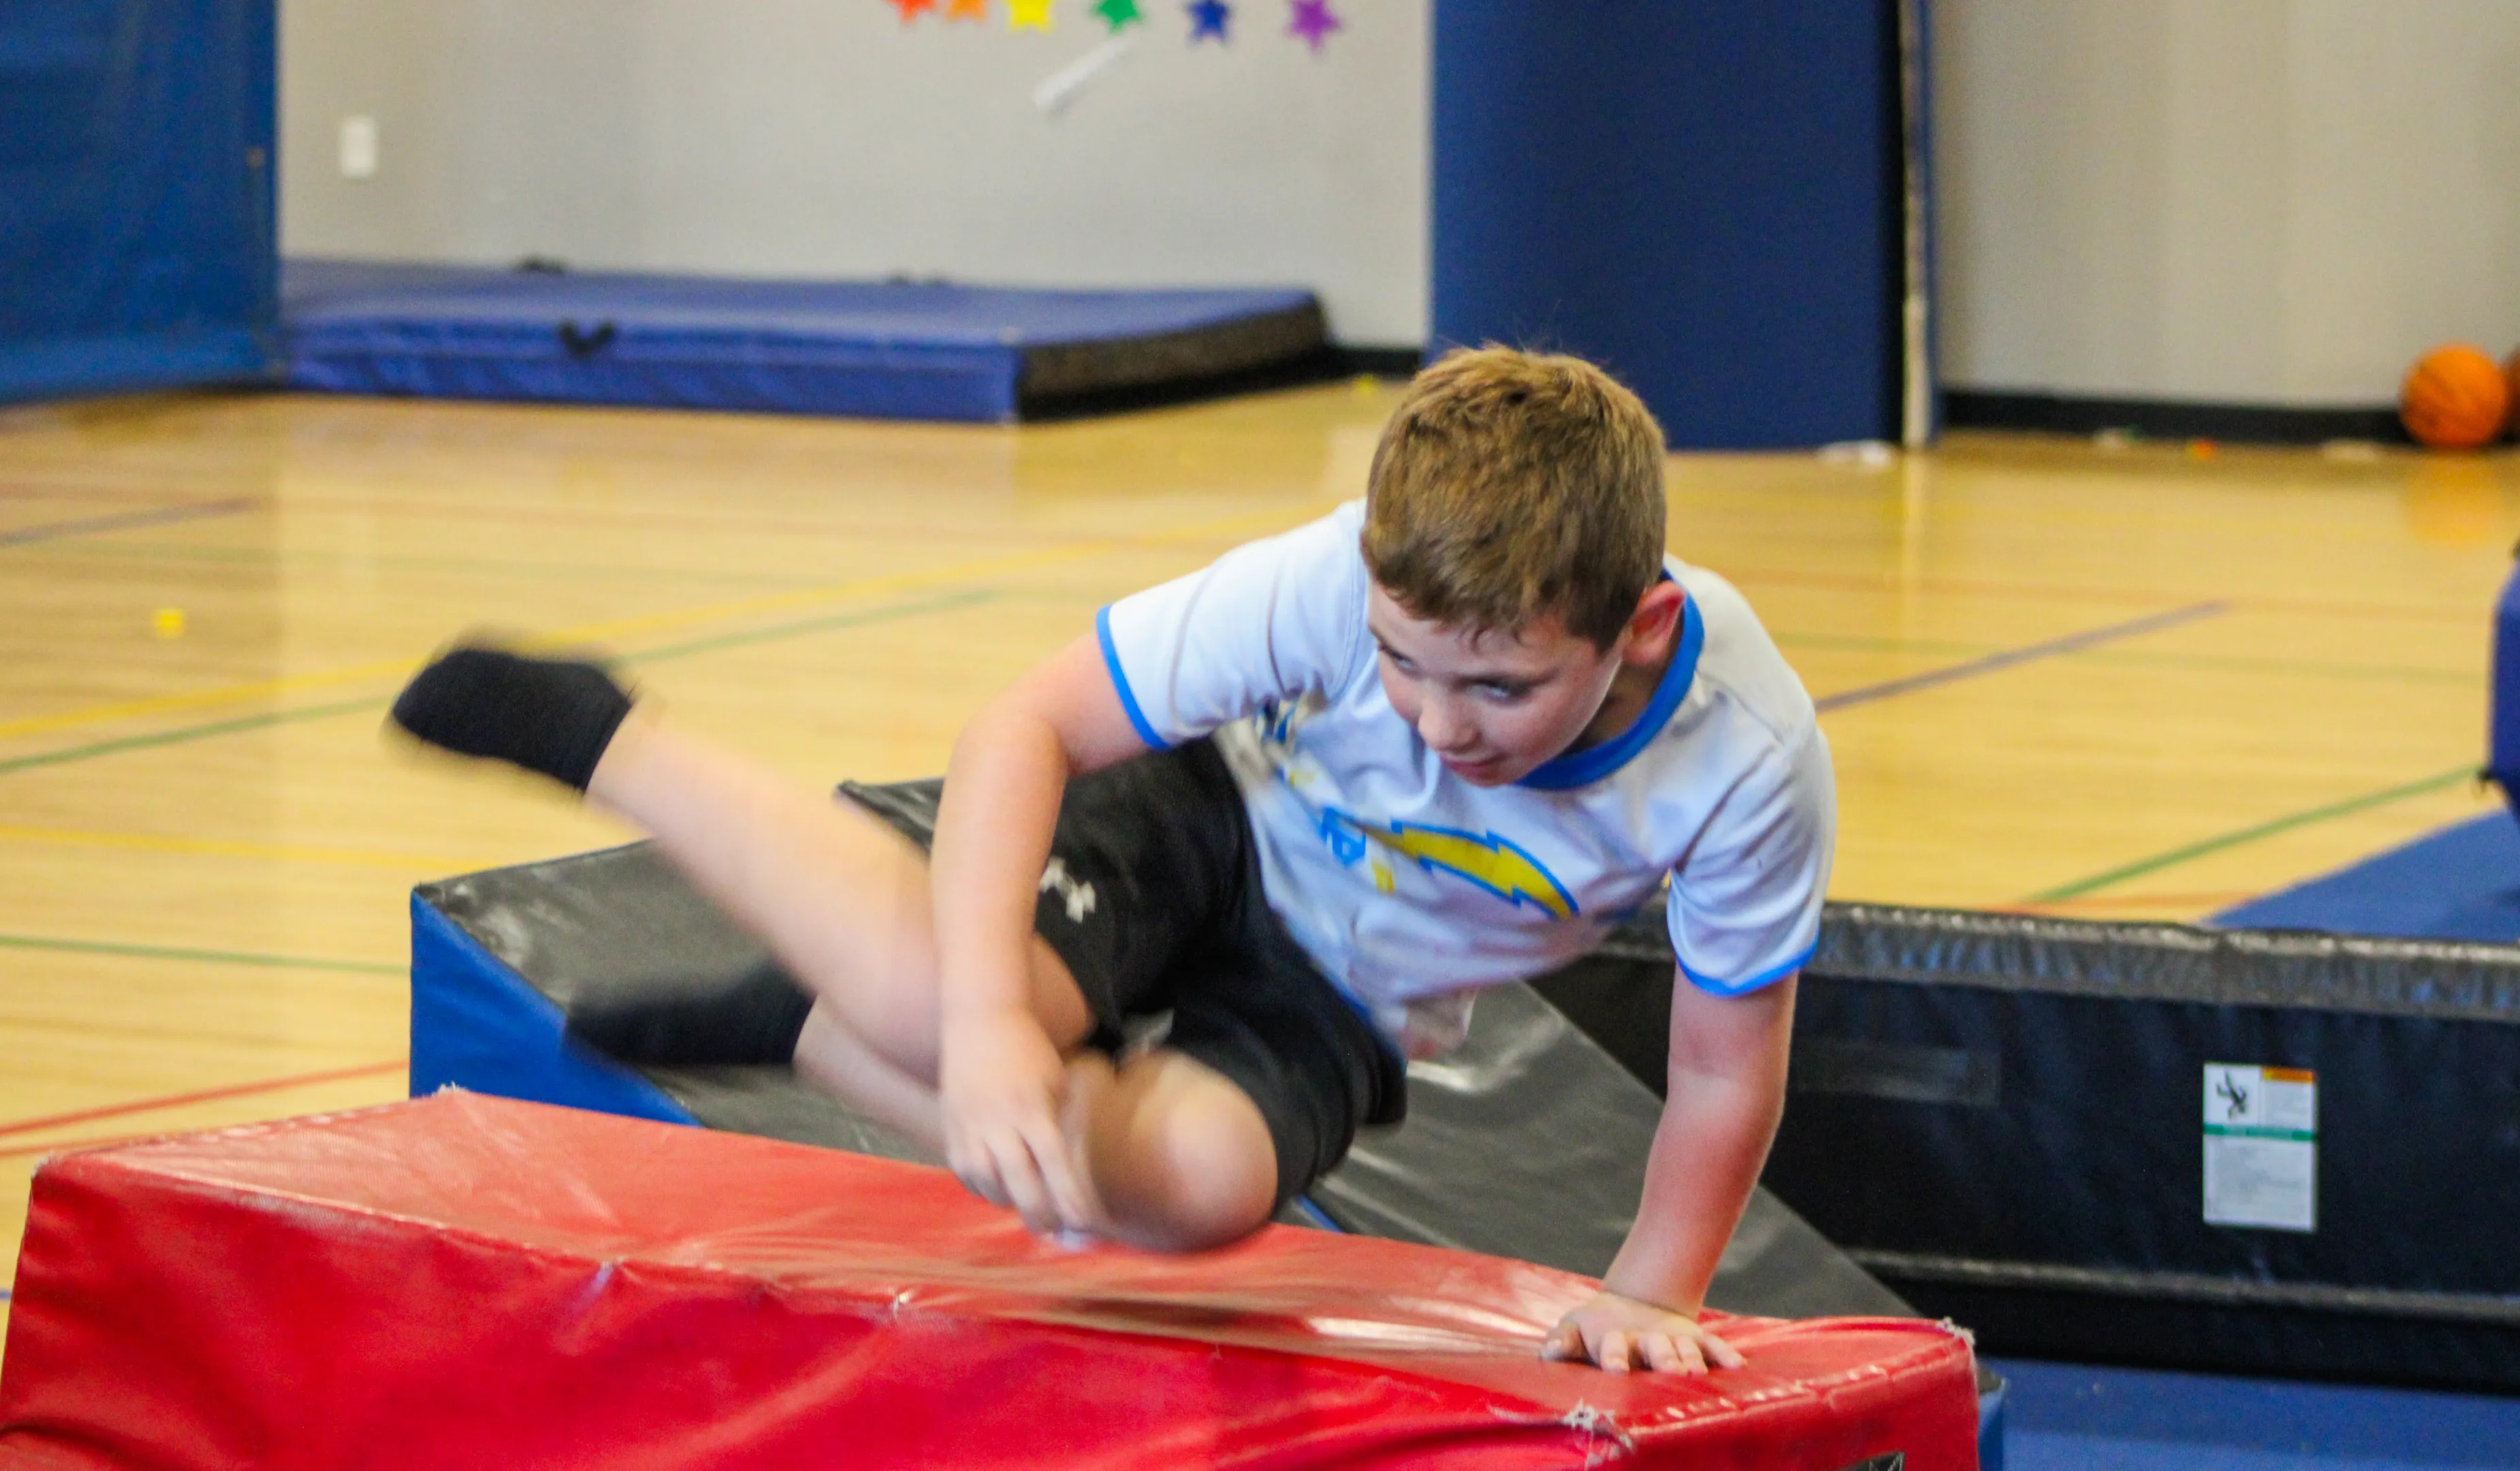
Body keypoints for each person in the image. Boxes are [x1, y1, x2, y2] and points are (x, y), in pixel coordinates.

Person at [388, 347, 1834, 1376]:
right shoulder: (1332, 577)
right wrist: (986, 1024)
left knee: (1168, 1195)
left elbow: (1722, 1067)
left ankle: (809, 1024)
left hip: (1356, 982)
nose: (1441, 726)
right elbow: (1027, 722)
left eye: (1502, 692)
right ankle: (607, 735)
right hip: (1201, 816)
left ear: (1639, 628)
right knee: (940, 1002)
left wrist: (1653, 1293)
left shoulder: (1747, 760)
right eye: (1402, 668)